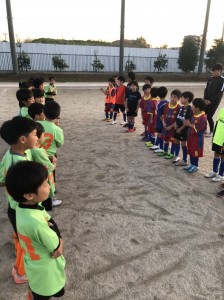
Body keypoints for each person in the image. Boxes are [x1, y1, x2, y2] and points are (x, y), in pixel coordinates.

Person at [5, 161, 66, 300]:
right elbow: (56, 248)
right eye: (45, 183)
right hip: (47, 272)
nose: (49, 185)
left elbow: (47, 217)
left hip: (34, 266)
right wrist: (61, 240)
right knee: (46, 293)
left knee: (38, 290)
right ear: (29, 195)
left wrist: (50, 224)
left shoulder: (22, 208)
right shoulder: (36, 224)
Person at [0, 116, 38, 284]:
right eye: (35, 134)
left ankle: (18, 250)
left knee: (19, 238)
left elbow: (1, 178)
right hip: (21, 210)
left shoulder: (10, 153)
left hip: (13, 207)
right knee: (26, 244)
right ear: (23, 139)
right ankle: (20, 273)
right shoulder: (20, 164)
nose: (37, 138)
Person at [30, 122, 59, 211]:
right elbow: (50, 168)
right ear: (38, 138)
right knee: (46, 192)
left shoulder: (35, 149)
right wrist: (54, 162)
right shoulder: (37, 151)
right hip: (45, 176)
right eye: (43, 134)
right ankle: (50, 203)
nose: (44, 136)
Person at [183, 98, 207, 173]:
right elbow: (190, 122)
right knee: (190, 150)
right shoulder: (193, 114)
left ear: (197, 108)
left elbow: (200, 129)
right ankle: (191, 164)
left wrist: (189, 124)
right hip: (190, 137)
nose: (192, 106)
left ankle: (196, 166)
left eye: (193, 105)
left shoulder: (203, 118)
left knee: (195, 152)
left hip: (197, 139)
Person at [159, 89, 181, 159]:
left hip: (172, 128)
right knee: (166, 139)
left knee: (173, 140)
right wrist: (163, 122)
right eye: (171, 97)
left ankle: (172, 153)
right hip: (165, 126)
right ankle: (165, 151)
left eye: (175, 97)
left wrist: (171, 126)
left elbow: (178, 119)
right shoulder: (166, 105)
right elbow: (162, 115)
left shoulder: (179, 107)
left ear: (178, 98)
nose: (172, 98)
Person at [174, 91, 194, 166]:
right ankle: (176, 156)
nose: (180, 99)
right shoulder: (181, 107)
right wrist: (175, 124)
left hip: (183, 130)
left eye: (182, 98)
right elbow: (177, 117)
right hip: (177, 128)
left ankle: (185, 160)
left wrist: (180, 129)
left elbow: (187, 122)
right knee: (176, 141)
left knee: (183, 144)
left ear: (187, 99)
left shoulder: (189, 109)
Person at [204, 63, 224, 137]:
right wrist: (205, 99)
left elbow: (220, 93)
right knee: (203, 114)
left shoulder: (222, 80)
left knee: (209, 116)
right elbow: (206, 89)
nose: (213, 72)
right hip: (206, 100)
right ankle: (204, 129)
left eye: (214, 71)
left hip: (214, 102)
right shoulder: (210, 79)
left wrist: (211, 100)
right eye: (213, 71)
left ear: (219, 70)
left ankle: (212, 131)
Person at [205, 108, 224, 183]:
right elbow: (217, 124)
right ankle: (214, 171)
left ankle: (221, 175)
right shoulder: (222, 110)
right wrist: (214, 137)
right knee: (216, 154)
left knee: (223, 157)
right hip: (217, 138)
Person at [151, 86, 168, 153]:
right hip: (165, 120)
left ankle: (160, 147)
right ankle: (157, 144)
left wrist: (163, 122)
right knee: (159, 133)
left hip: (161, 121)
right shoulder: (167, 102)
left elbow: (160, 115)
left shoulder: (159, 104)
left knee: (160, 133)